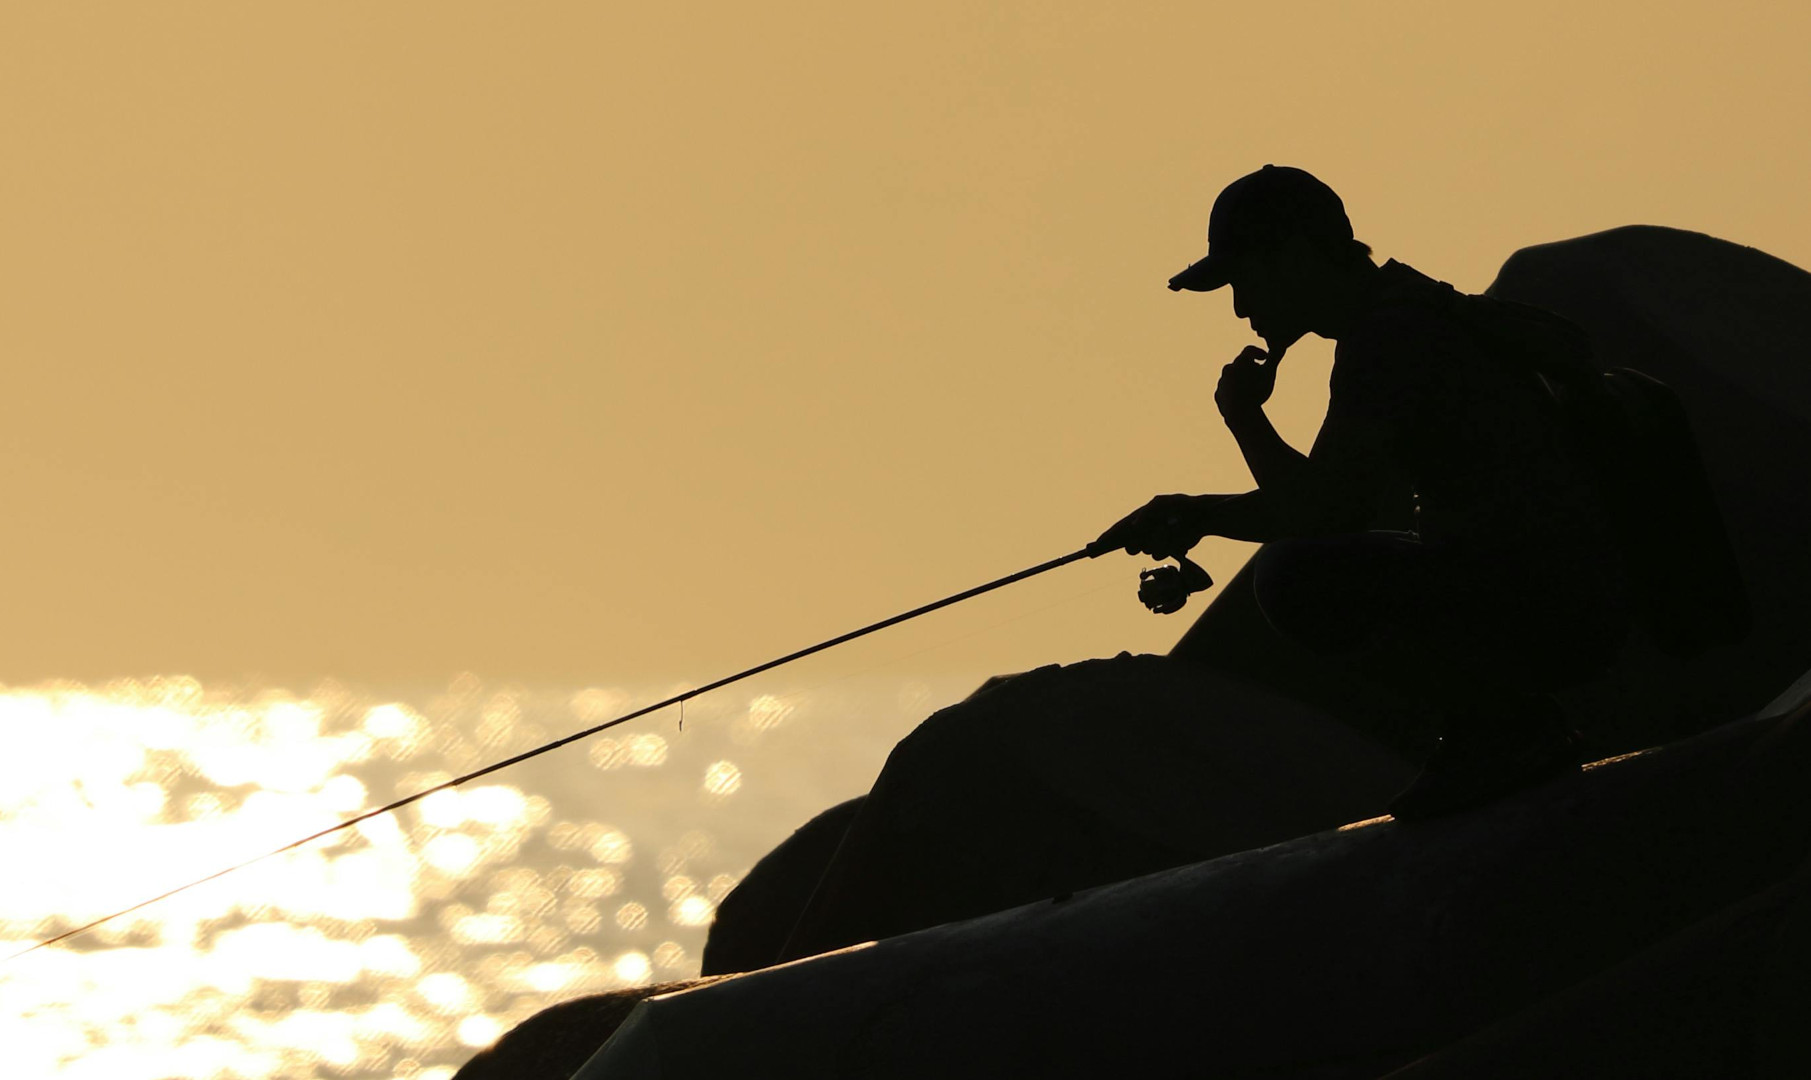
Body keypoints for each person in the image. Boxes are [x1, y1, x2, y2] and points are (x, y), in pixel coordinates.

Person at [1096, 164, 1632, 819]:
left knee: (1295, 578)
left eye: (1244, 278)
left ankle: (1504, 728)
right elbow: (1326, 504)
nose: (1240, 307)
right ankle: (1496, 726)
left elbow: (1326, 513)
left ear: (1293, 255)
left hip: (1545, 603)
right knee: (1306, 561)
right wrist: (1244, 423)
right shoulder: (1403, 318)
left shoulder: (1388, 340)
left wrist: (1195, 511)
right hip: (1553, 590)